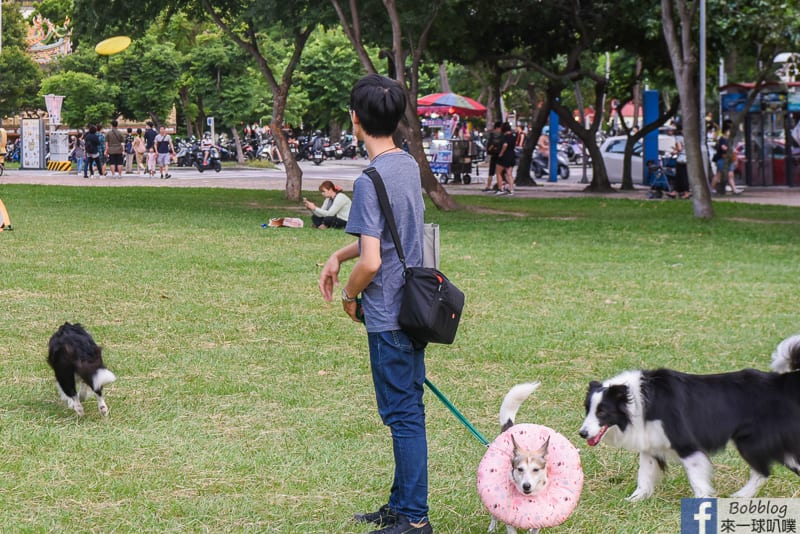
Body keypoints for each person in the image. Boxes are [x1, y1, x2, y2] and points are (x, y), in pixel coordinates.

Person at [318, 74, 431, 534]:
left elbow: (371, 260)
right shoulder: (405, 165)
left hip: (388, 314)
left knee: (403, 416)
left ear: (355, 119)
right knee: (409, 409)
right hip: (416, 309)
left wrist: (349, 295)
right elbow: (392, 236)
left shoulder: (369, 180)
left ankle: (414, 518)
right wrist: (336, 254)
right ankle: (401, 503)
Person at [711, 124, 739, 195]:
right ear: (726, 131)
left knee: (729, 175)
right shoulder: (722, 139)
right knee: (720, 175)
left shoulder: (729, 139)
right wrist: (731, 150)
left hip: (729, 159)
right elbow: (723, 147)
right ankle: (712, 189)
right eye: (729, 131)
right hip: (722, 159)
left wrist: (733, 151)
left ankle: (734, 189)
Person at [666, 126, 691, 199]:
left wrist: (674, 151)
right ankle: (679, 191)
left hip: (681, 159)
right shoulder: (688, 138)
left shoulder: (678, 138)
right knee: (684, 176)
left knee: (680, 176)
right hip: (687, 158)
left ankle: (683, 192)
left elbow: (679, 148)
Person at [495, 121, 517, 195]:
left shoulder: (504, 137)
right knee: (509, 174)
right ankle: (511, 189)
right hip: (512, 155)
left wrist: (501, 153)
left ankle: (500, 188)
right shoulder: (513, 136)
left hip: (505, 155)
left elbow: (505, 145)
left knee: (498, 172)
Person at [482, 121, 503, 192]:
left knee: (491, 171)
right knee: (499, 172)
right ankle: (500, 186)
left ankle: (488, 186)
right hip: (499, 154)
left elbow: (489, 144)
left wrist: (490, 149)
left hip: (494, 154)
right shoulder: (501, 135)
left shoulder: (492, 135)